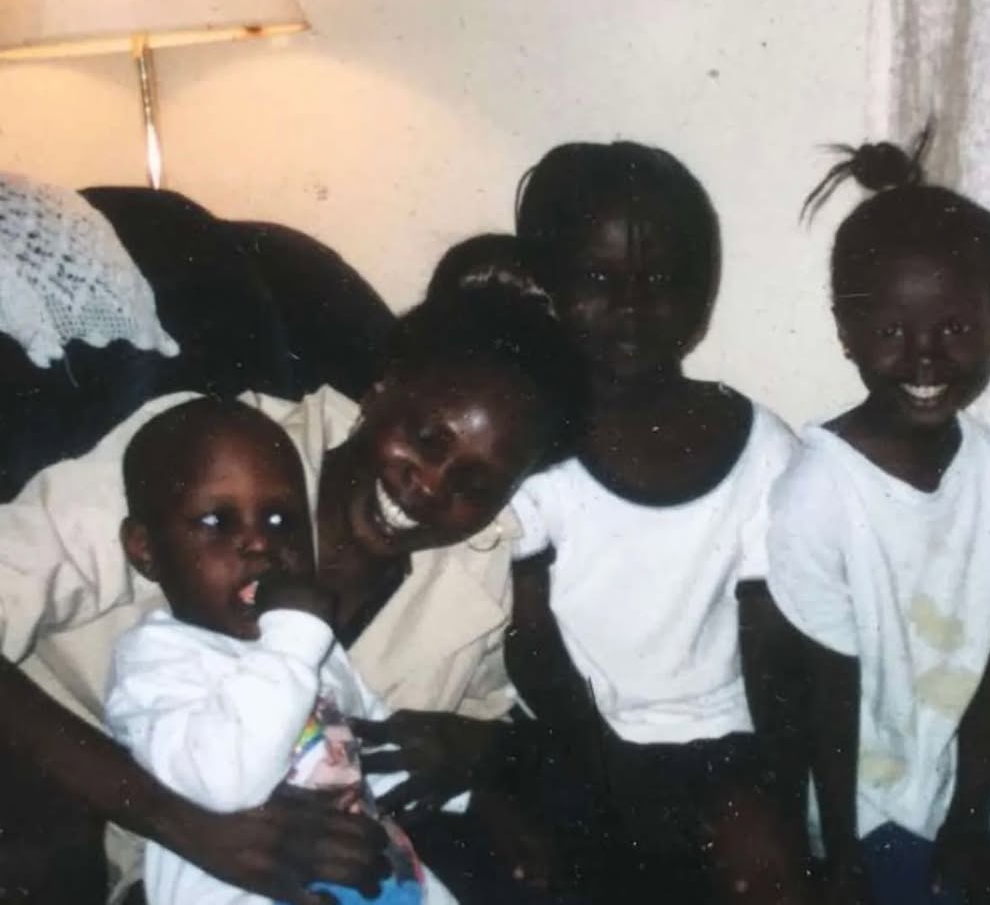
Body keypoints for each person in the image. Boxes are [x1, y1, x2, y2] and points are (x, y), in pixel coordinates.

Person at [0, 270, 586, 904]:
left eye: (476, 485)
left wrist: (483, 760)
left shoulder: (475, 572)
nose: (430, 487)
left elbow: (480, 719)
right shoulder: (209, 451)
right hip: (58, 780)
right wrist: (179, 820)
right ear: (381, 391)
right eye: (426, 440)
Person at [766, 130, 990, 905]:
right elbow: (823, 695)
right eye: (892, 331)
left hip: (968, 789)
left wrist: (969, 818)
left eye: (956, 328)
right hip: (856, 801)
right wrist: (840, 855)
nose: (926, 356)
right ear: (846, 332)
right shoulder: (818, 490)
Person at [506, 140, 813, 904]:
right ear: (552, 288)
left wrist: (772, 790)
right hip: (576, 738)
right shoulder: (530, 452)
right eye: (599, 280)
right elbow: (532, 645)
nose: (632, 307)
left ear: (701, 296)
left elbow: (772, 650)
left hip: (720, 747)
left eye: (661, 281)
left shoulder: (762, 447)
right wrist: (612, 774)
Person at [105, 399, 455, 905]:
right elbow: (226, 782)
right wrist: (294, 640)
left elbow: (377, 751)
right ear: (145, 549)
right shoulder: (156, 659)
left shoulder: (313, 647)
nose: (259, 544)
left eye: (278, 519)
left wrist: (461, 792)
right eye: (218, 521)